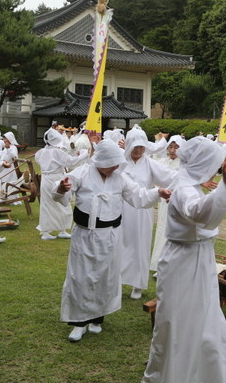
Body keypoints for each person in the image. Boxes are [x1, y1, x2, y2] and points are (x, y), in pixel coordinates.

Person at [142, 137, 226, 383]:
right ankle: (175, 374)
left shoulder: (188, 184)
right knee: (179, 318)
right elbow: (200, 214)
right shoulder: (185, 189)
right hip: (184, 261)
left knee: (203, 315)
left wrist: (224, 187)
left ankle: (202, 372)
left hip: (196, 256)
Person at [53, 139, 170, 342]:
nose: (114, 168)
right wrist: (62, 189)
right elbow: (62, 192)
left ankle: (97, 319)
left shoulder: (120, 177)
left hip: (110, 234)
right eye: (111, 164)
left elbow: (138, 195)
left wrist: (157, 191)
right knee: (81, 277)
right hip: (86, 235)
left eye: (117, 164)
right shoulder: (82, 173)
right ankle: (79, 322)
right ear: (101, 161)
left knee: (105, 277)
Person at [120, 126, 177, 300]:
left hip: (142, 210)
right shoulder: (119, 162)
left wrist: (196, 178)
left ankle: (137, 284)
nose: (138, 149)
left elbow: (172, 176)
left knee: (140, 245)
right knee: (119, 244)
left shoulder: (150, 164)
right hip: (120, 209)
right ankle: (116, 280)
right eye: (135, 146)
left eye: (141, 146)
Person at [34, 128, 89, 240]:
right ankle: (62, 230)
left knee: (46, 205)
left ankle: (46, 232)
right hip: (56, 178)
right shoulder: (57, 152)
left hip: (45, 179)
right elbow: (71, 162)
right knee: (63, 204)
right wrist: (85, 154)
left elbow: (39, 161)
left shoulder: (40, 152)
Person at [150, 135, 185, 272]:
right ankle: (159, 263)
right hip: (165, 201)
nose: (172, 150)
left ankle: (174, 265)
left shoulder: (185, 164)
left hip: (179, 200)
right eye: (170, 147)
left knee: (176, 229)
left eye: (176, 147)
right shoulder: (163, 162)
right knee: (162, 229)